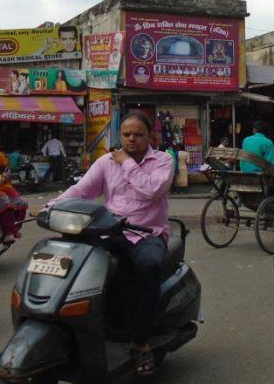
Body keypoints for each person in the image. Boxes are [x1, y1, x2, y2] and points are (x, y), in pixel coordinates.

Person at [39, 112, 173, 375]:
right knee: (78, 265)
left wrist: (126, 163)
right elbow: (82, 191)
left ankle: (140, 342)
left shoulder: (163, 161)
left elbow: (152, 190)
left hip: (147, 233)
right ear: (119, 135)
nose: (131, 139)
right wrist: (49, 206)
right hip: (112, 232)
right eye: (126, 134)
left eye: (138, 134)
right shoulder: (105, 162)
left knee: (149, 266)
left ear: (150, 137)